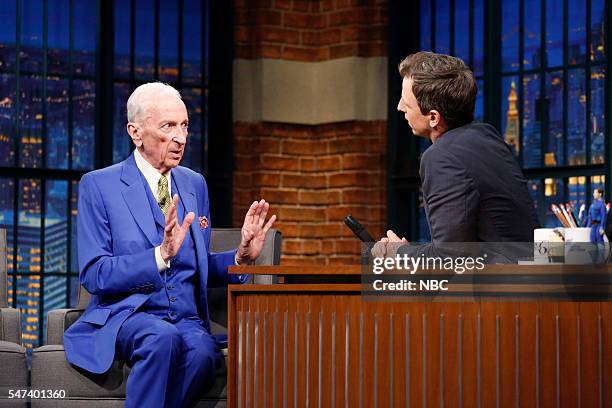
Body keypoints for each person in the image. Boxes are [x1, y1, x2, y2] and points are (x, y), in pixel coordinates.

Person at [63, 82, 276, 408]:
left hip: (186, 319)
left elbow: (197, 264)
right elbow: (95, 274)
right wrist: (159, 256)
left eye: (185, 125)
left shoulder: (194, 184)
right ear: (136, 133)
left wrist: (240, 256)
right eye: (169, 126)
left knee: (204, 353)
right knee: (161, 338)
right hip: (129, 314)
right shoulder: (100, 186)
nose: (181, 137)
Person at [375, 51, 539, 258]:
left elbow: (449, 258)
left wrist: (400, 253)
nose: (399, 108)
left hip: (496, 287)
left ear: (433, 117)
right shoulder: (487, 137)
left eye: (406, 104)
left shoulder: (440, 156)